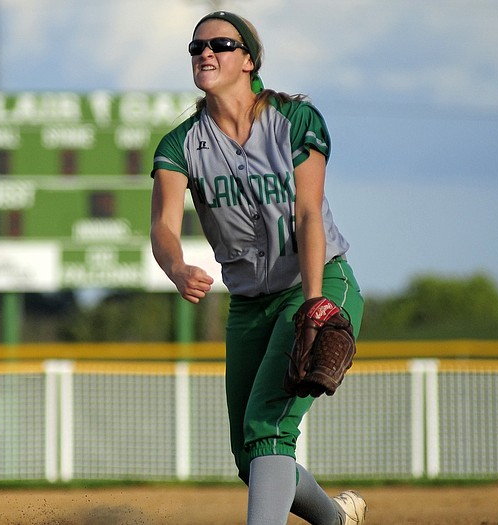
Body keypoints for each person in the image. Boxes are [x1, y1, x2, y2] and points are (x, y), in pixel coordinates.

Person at [149, 10, 367, 525]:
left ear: (248, 59)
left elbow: (309, 212)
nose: (205, 53)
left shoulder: (295, 120)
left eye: (220, 44)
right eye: (197, 47)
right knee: (252, 458)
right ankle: (335, 520)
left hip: (314, 282)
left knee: (268, 430)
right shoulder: (180, 146)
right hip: (249, 305)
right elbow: (162, 227)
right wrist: (177, 267)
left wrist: (315, 300)